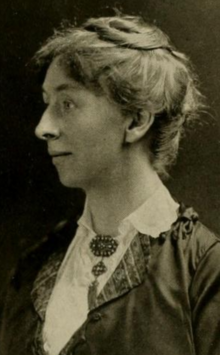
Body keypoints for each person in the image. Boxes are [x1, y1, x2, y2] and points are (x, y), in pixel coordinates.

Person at [1, 14, 220, 355]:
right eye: (48, 104)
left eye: (67, 104)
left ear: (136, 120)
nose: (43, 127)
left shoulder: (204, 271)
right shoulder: (34, 265)